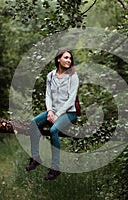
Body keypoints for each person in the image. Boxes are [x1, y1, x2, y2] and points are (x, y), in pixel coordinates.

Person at [25, 49, 79, 181]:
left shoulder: (73, 77)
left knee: (54, 130)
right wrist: (49, 111)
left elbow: (71, 100)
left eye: (70, 58)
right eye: (66, 57)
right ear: (58, 59)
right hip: (52, 111)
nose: (68, 60)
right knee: (33, 123)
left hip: (69, 113)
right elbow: (48, 95)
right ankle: (35, 158)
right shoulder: (50, 75)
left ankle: (55, 167)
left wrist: (57, 115)